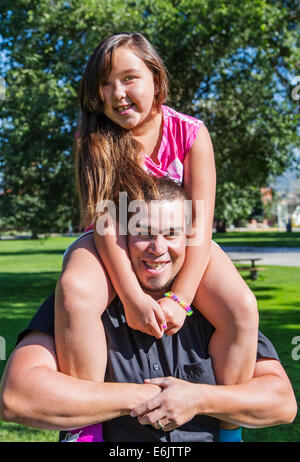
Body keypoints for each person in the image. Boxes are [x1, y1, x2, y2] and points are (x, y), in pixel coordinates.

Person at [52, 32, 260, 442]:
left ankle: (228, 427)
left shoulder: (191, 133)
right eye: (105, 84)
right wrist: (131, 297)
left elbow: (200, 224)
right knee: (75, 291)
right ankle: (85, 424)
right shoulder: (93, 140)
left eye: (129, 78)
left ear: (157, 81)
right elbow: (106, 222)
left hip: (181, 241)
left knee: (241, 307)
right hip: (109, 239)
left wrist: (179, 299)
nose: (117, 93)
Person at [0, 178, 297, 442]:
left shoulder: (215, 307)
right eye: (144, 233)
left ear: (191, 241)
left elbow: (281, 402)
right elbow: (18, 396)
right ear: (122, 239)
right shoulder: (85, 302)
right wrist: (153, 398)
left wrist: (198, 399)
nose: (158, 247)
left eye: (171, 234)